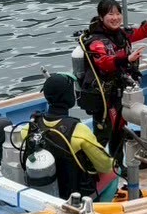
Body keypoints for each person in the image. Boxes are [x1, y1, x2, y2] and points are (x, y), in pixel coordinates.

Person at [76, 0, 147, 147]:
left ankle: (118, 159)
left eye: (118, 13)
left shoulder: (121, 34)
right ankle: (99, 160)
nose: (115, 18)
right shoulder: (96, 41)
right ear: (101, 17)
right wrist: (127, 58)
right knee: (105, 133)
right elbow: (104, 62)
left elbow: (142, 32)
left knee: (120, 130)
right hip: (105, 96)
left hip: (121, 90)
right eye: (110, 14)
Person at [18, 73, 119, 201]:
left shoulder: (28, 129)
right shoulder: (78, 131)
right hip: (74, 197)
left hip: (45, 192)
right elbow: (105, 166)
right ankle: (98, 208)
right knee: (115, 169)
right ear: (68, 97)